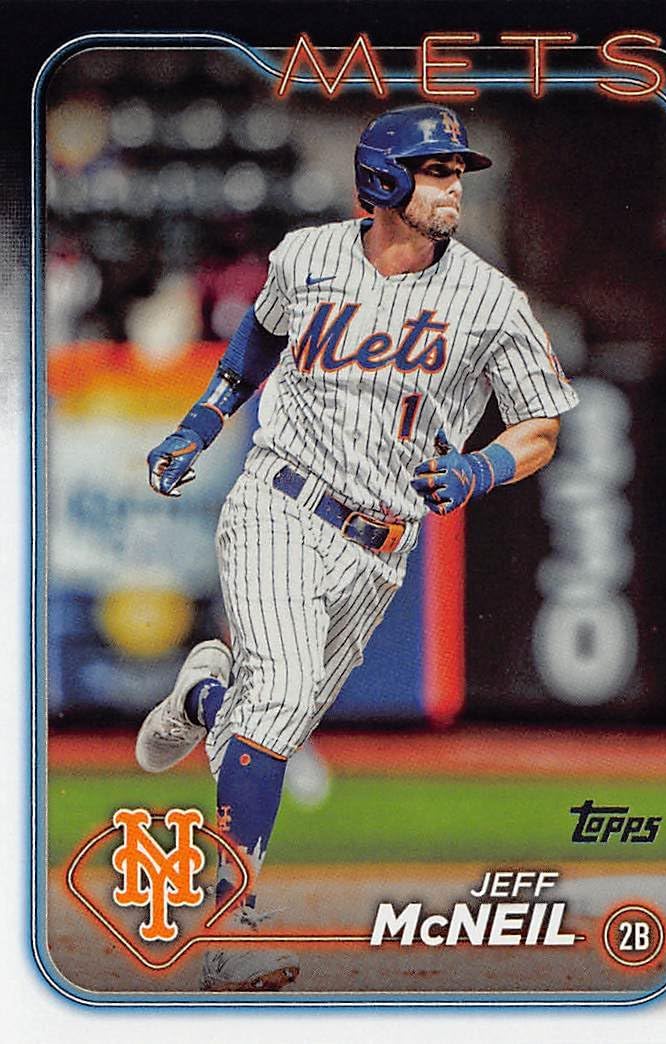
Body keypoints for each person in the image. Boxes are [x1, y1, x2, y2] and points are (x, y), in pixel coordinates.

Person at [136, 104, 579, 992]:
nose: (453, 187)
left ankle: (207, 694)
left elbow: (540, 426)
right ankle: (229, 930)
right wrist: (201, 424)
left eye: (456, 171)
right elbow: (257, 342)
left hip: (379, 549)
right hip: (279, 502)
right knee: (279, 700)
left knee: (271, 723)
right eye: (436, 170)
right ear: (382, 180)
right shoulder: (306, 257)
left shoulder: (490, 300)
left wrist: (480, 468)